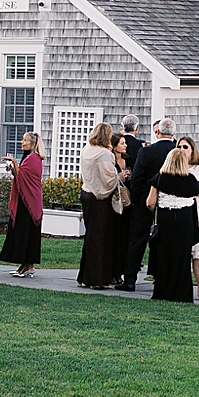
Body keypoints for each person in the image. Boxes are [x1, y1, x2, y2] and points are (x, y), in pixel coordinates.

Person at [153, 134, 199, 302]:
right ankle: (181, 292)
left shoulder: (160, 178)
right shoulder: (190, 180)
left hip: (165, 218)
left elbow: (150, 201)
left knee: (165, 255)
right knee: (182, 256)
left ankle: (163, 290)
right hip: (185, 219)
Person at [77, 125, 124, 289]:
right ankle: (97, 278)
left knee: (91, 236)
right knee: (101, 238)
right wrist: (120, 176)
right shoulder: (105, 153)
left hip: (86, 193)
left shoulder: (86, 149)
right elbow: (108, 178)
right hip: (100, 198)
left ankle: (84, 276)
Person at [118, 132, 162, 292]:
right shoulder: (177, 149)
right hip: (168, 204)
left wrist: (136, 199)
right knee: (162, 242)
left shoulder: (147, 151)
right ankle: (160, 278)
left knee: (137, 240)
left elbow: (137, 177)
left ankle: (129, 280)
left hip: (143, 201)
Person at [0, 132, 44, 276]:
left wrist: (13, 162)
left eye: (25, 140)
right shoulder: (27, 157)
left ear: (32, 144)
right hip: (25, 200)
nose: (22, 142)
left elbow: (25, 177)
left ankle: (28, 266)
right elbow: (20, 176)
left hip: (30, 202)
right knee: (23, 232)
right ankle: (25, 265)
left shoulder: (34, 158)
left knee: (28, 233)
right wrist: (13, 168)